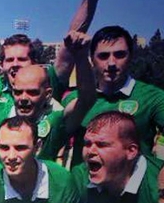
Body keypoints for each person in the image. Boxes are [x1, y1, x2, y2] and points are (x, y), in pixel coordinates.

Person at [0, 31, 95, 164]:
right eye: (18, 92)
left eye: (32, 92)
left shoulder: (54, 119)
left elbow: (86, 99)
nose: (23, 98)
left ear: (48, 94)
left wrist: (81, 57)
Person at [63, 25, 164, 161]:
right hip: (84, 182)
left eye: (119, 54)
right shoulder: (74, 100)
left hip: (135, 182)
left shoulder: (153, 97)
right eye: (103, 56)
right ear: (92, 59)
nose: (111, 63)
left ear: (131, 57)